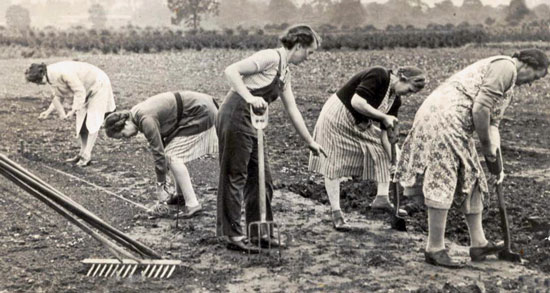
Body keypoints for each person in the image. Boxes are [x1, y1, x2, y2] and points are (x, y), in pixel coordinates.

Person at [395, 49, 549, 268]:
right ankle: (434, 248)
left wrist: (497, 163)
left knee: (474, 177)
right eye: (535, 76)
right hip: (443, 119)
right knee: (443, 179)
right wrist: (486, 147)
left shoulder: (508, 84)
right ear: (528, 64)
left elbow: (493, 123)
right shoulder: (506, 67)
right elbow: (480, 109)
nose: (531, 83)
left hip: (456, 124)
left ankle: (479, 243)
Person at [216, 24, 326, 252]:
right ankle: (232, 234)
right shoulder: (270, 58)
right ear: (297, 46)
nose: (309, 57)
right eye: (309, 52)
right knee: (235, 175)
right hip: (235, 115)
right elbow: (231, 70)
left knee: (262, 178)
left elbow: (292, 109)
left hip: (253, 122)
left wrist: (310, 142)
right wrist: (249, 98)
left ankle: (260, 233)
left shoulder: (284, 72)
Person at [308, 66, 426, 231]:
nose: (409, 94)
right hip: (336, 117)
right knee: (333, 162)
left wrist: (396, 158)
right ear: (402, 78)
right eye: (410, 89)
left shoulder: (395, 100)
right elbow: (357, 102)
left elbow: (386, 135)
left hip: (360, 124)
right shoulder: (379, 75)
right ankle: (337, 213)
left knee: (381, 149)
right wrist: (383, 117)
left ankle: (382, 198)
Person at [104, 90, 218, 218]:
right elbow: (162, 146)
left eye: (123, 135)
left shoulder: (145, 120)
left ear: (125, 124)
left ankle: (192, 204)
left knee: (172, 156)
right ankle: (180, 196)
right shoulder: (135, 114)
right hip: (200, 107)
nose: (126, 139)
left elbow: (159, 154)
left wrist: (160, 185)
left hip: (202, 112)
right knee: (171, 153)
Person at [25, 61, 116, 167]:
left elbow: (79, 91)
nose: (38, 84)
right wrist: (48, 112)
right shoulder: (50, 77)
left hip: (98, 84)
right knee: (81, 122)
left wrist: (73, 110)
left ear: (41, 74)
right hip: (85, 90)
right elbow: (58, 96)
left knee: (93, 120)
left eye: (38, 81)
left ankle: (87, 155)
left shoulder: (63, 73)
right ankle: (82, 153)